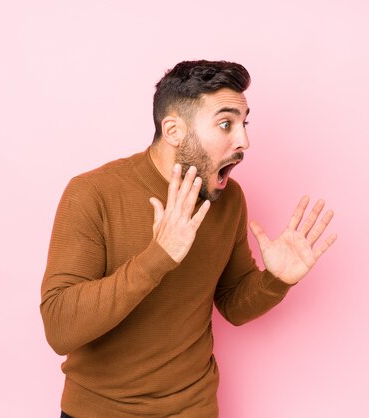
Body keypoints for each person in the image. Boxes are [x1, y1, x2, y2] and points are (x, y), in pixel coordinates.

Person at [40, 60, 337, 418]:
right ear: (173, 130)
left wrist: (275, 281)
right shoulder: (92, 193)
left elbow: (232, 303)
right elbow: (60, 328)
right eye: (226, 124)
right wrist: (157, 258)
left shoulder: (228, 200)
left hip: (193, 408)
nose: (244, 140)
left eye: (243, 124)